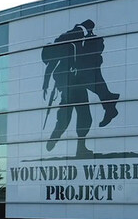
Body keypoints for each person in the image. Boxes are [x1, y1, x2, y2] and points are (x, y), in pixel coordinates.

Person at [41, 19, 119, 156]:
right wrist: (45, 85)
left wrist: (47, 84)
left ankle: (76, 145)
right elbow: (51, 67)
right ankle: (59, 137)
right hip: (71, 86)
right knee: (74, 115)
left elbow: (52, 66)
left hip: (77, 84)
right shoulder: (64, 44)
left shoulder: (67, 40)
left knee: (83, 116)